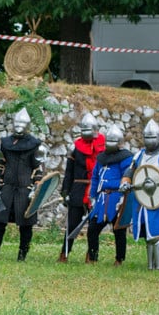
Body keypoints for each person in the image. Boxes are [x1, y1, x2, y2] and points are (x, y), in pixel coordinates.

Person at [120, 120, 159, 270]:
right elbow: (130, 171)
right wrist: (125, 183)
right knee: (146, 233)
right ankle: (150, 265)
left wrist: (157, 183)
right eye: (146, 137)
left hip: (157, 199)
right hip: (140, 198)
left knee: (156, 232)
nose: (149, 141)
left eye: (152, 137)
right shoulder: (140, 154)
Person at [0, 108, 44, 261]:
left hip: (25, 190)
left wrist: (35, 188)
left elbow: (38, 169)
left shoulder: (34, 144)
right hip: (6, 188)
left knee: (26, 226)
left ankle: (22, 255)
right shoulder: (5, 143)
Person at [57, 112, 105, 262]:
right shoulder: (76, 148)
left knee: (94, 226)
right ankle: (64, 254)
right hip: (78, 189)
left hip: (96, 189)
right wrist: (65, 191)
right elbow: (69, 172)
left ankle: (92, 256)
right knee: (72, 224)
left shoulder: (103, 147)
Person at [86, 124, 133, 265]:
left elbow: (128, 176)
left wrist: (122, 195)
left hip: (117, 197)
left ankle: (119, 259)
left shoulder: (126, 158)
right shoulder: (101, 158)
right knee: (92, 229)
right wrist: (93, 196)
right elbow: (95, 177)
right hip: (101, 199)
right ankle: (93, 258)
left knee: (119, 230)